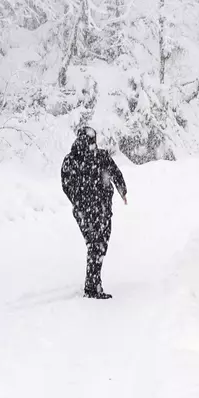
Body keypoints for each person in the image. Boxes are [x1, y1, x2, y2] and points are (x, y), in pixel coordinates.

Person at [61, 127, 127, 299]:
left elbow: (66, 184)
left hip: (91, 211)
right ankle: (92, 287)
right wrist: (121, 191)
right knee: (98, 245)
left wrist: (79, 202)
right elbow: (115, 173)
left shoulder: (71, 159)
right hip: (97, 209)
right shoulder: (96, 156)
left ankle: (92, 284)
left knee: (95, 246)